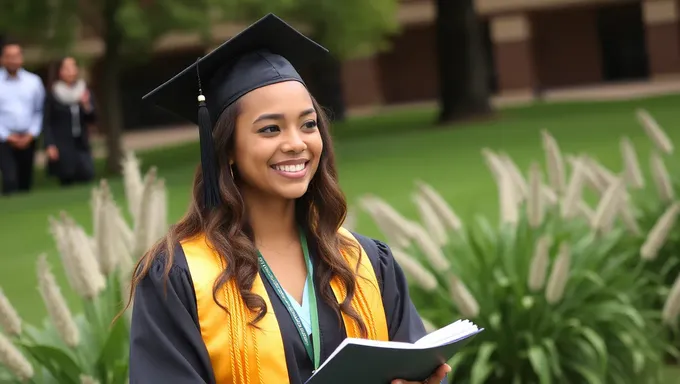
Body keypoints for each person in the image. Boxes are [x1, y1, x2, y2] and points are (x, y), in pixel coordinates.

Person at [126, 14, 451, 384]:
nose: (296, 142)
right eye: (270, 129)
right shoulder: (180, 276)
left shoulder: (366, 264)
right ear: (227, 147)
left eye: (308, 124)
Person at [0, 40, 45, 195]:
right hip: (4, 140)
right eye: (9, 56)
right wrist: (7, 136)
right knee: (10, 179)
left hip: (28, 137)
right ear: (2, 59)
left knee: (25, 181)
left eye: (16, 56)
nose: (13, 60)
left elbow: (39, 110)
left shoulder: (33, 82)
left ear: (21, 58)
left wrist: (31, 133)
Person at [42, 56, 96, 186]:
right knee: (67, 177)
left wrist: (86, 105)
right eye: (66, 68)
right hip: (62, 144)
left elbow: (93, 118)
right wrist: (49, 144)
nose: (71, 71)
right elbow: (47, 121)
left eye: (73, 67)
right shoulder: (54, 94)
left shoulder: (84, 91)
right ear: (59, 72)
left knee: (87, 174)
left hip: (81, 142)